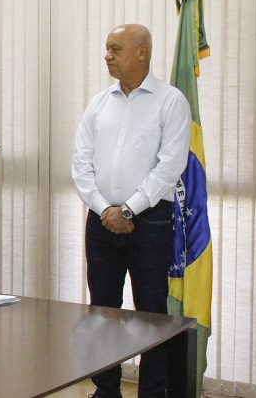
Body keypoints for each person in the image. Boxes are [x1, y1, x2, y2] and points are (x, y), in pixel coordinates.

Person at [70, 24, 191, 398]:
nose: (107, 56)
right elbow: (81, 163)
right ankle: (106, 390)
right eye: (106, 48)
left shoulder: (170, 101)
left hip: (151, 222)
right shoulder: (99, 103)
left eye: (116, 49)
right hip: (100, 221)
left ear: (142, 51)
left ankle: (152, 392)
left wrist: (129, 209)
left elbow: (170, 166)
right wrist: (105, 209)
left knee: (150, 313)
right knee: (102, 310)